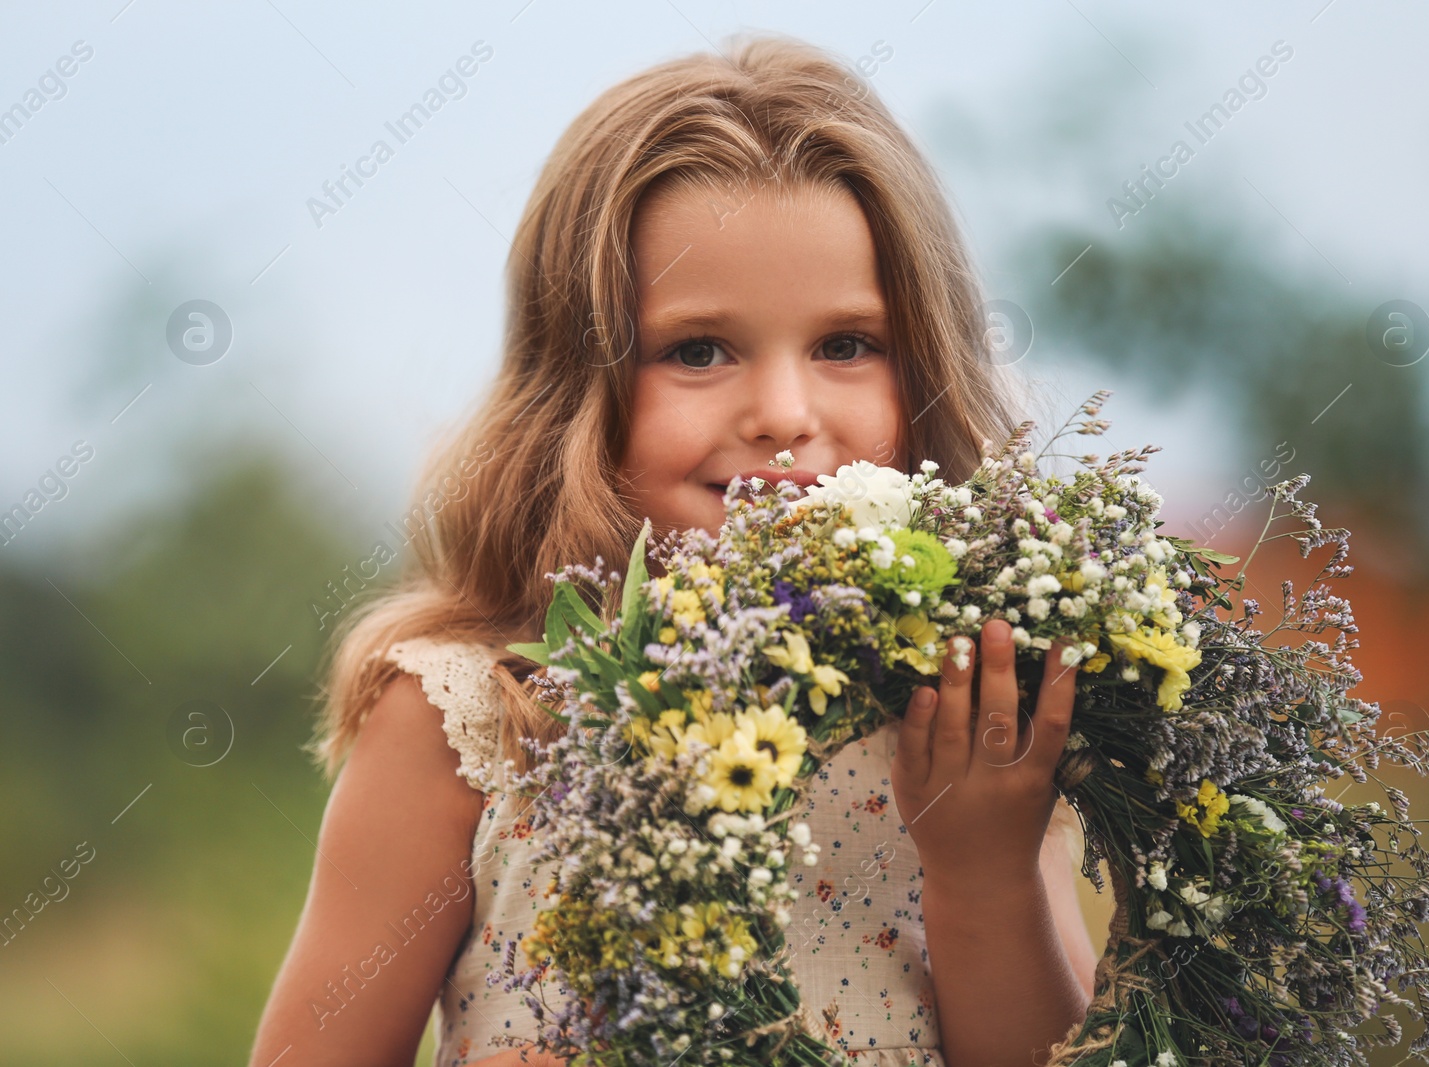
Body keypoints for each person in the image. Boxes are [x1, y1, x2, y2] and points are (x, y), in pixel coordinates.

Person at [249, 33, 1100, 1067]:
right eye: (698, 350)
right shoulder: (472, 713)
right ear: (576, 389)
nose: (783, 415)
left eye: (846, 345)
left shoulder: (966, 702)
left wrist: (982, 871)